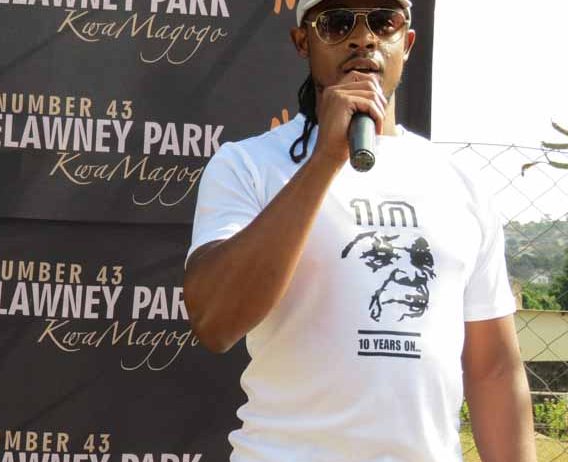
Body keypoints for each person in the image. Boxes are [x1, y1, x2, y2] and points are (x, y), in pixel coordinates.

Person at [182, 0, 537, 460]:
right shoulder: (248, 165)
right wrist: (326, 160)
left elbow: (493, 370)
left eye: (384, 22)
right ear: (302, 42)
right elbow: (215, 322)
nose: (363, 38)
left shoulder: (460, 183)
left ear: (407, 43)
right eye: (338, 23)